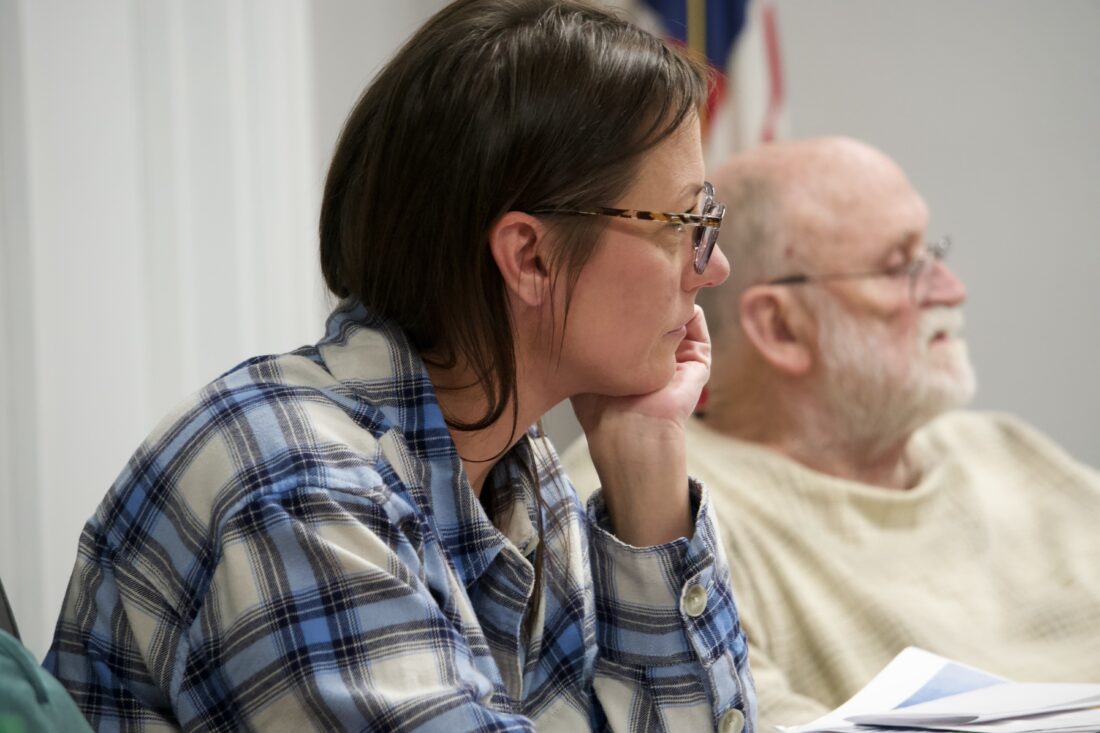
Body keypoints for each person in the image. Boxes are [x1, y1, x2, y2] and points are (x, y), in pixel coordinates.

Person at [43, 1, 758, 730]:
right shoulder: (298, 488)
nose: (716, 267)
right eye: (687, 225)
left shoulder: (513, 472)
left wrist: (651, 479)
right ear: (531, 257)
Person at [563, 136, 1100, 731]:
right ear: (782, 327)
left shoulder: (1005, 447)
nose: (952, 288)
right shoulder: (648, 492)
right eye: (902, 266)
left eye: (934, 252)